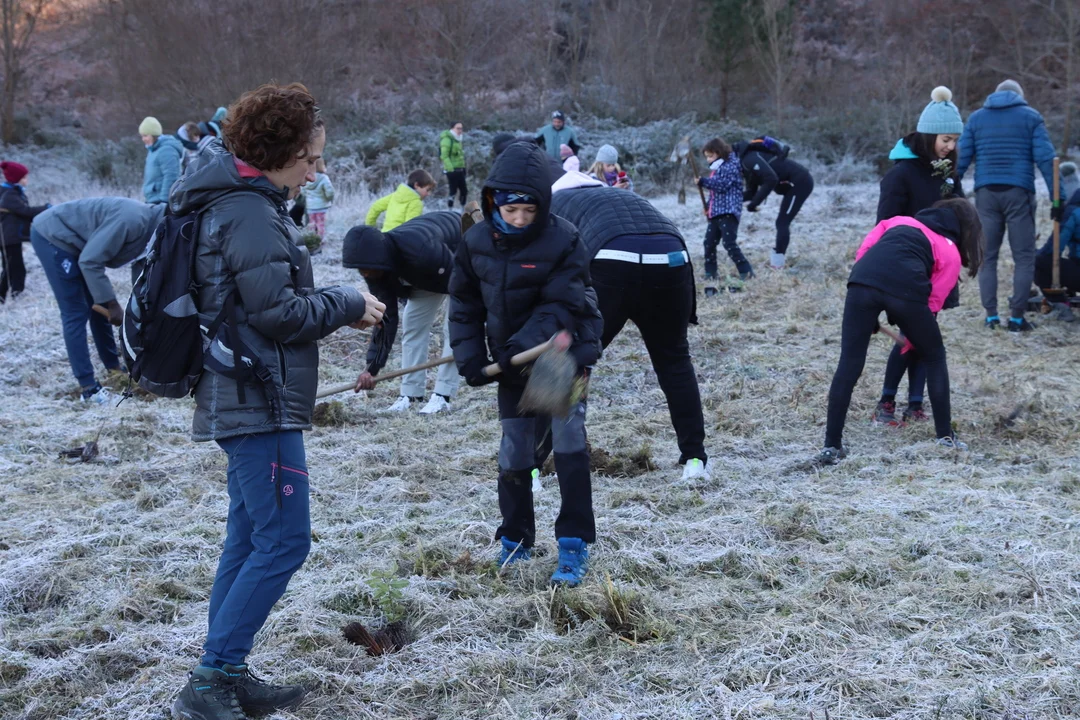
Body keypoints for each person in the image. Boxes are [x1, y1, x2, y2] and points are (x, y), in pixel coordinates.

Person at [167, 83, 385, 720]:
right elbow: (277, 313)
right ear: (276, 152)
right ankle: (210, 683)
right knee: (285, 541)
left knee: (248, 538)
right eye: (310, 158)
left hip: (247, 393)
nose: (316, 171)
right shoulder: (248, 212)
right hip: (255, 396)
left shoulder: (243, 203)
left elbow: (259, 303)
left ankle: (226, 672)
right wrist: (346, 302)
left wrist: (334, 303)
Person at [449, 140, 603, 587]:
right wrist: (470, 357)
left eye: (529, 211)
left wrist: (517, 345)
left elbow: (562, 303)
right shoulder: (476, 241)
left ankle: (573, 544)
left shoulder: (563, 239)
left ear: (543, 205)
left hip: (559, 353)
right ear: (492, 202)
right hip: (510, 359)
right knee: (515, 451)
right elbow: (464, 304)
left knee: (568, 444)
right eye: (510, 210)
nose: (519, 219)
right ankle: (515, 539)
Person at [551, 167, 710, 481]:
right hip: (671, 255)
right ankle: (695, 459)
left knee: (572, 361)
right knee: (674, 360)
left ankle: (557, 459)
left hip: (612, 258)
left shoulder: (552, 205)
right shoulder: (611, 194)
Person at [818, 199, 983, 465]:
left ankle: (831, 446)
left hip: (861, 282)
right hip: (905, 290)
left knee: (849, 363)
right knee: (935, 357)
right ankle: (945, 437)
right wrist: (916, 331)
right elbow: (932, 303)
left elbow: (865, 252)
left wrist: (869, 309)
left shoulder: (897, 221)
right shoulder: (949, 249)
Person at [873, 86, 965, 426]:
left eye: (954, 140)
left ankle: (914, 404)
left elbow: (960, 215)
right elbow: (885, 224)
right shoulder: (901, 175)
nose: (950, 146)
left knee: (925, 336)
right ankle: (886, 403)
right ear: (928, 136)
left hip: (938, 267)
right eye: (945, 139)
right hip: (907, 267)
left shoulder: (947, 174)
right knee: (916, 336)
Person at [30, 198, 166, 403]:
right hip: (53, 235)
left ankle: (113, 369)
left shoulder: (154, 234)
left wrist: (140, 312)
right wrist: (112, 304)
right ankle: (89, 389)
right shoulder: (131, 220)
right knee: (76, 311)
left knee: (98, 308)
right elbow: (90, 261)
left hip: (80, 245)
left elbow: (141, 277)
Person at [957, 79, 1056, 332]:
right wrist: (1058, 198)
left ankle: (991, 317)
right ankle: (1017, 318)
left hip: (986, 194)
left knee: (987, 257)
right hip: (1018, 193)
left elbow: (961, 158)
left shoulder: (976, 119)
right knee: (1024, 257)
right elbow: (1046, 159)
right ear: (1019, 96)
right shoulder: (1031, 117)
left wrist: (948, 189)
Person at [344, 212, 462, 414]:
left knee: (454, 327)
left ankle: (443, 396)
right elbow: (385, 319)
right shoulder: (375, 267)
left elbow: (464, 283)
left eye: (366, 269)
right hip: (427, 274)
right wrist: (371, 368)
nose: (365, 274)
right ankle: (411, 394)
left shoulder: (422, 251)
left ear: (378, 258)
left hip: (459, 258)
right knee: (413, 326)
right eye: (360, 270)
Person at [734, 136, 814, 270]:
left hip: (800, 183)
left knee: (782, 223)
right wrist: (724, 199)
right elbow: (751, 193)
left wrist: (754, 203)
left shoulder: (749, 159)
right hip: (790, 185)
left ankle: (778, 263)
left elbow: (771, 180)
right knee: (781, 223)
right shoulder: (746, 164)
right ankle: (777, 261)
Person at [698, 137, 752, 280]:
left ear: (719, 152)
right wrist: (708, 206)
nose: (708, 159)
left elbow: (721, 185)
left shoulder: (730, 166)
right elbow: (714, 193)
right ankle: (710, 273)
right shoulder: (717, 168)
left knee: (729, 243)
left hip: (729, 211)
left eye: (710, 156)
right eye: (707, 157)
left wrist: (703, 181)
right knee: (709, 243)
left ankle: (746, 271)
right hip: (716, 212)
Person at [0, 161, 48, 302]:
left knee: (14, 267)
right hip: (8, 237)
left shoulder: (12, 192)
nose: (27, 180)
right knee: (12, 268)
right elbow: (25, 211)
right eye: (24, 177)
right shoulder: (10, 195)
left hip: (11, 237)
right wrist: (45, 208)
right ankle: (7, 295)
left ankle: (14, 294)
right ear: (16, 179)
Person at [365, 169, 435, 232]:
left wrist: (370, 227)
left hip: (385, 236)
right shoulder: (416, 203)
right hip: (399, 240)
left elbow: (375, 207)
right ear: (416, 185)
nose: (428, 194)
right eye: (427, 190)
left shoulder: (394, 196)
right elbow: (411, 227)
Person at [139, 116, 184, 204]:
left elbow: (171, 176)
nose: (143, 139)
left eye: (145, 136)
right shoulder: (153, 150)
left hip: (160, 202)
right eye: (142, 136)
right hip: (152, 200)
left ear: (154, 135)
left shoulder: (167, 150)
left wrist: (164, 201)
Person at [302, 158, 334, 239]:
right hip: (322, 206)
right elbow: (330, 192)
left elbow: (302, 190)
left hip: (310, 206)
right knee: (320, 224)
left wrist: (308, 197)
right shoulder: (324, 178)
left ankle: (311, 240)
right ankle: (320, 240)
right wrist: (328, 199)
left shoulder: (307, 177)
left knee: (311, 224)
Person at [440, 121, 467, 211]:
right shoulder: (447, 139)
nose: (460, 130)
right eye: (458, 128)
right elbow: (444, 156)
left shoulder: (458, 139)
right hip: (452, 170)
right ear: (452, 128)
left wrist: (463, 168)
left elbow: (460, 156)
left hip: (460, 169)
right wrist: (450, 168)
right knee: (453, 191)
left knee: (464, 191)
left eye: (461, 128)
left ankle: (462, 210)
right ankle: (450, 210)